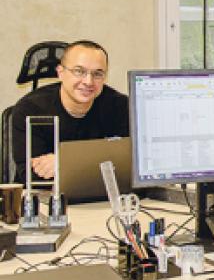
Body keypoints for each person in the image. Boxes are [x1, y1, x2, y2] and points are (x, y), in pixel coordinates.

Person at [10, 40, 129, 182]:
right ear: (60, 73)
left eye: (97, 74)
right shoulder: (30, 109)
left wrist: (63, 163)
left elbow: (127, 163)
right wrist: (98, 159)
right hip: (45, 199)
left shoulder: (120, 106)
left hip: (99, 199)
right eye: (79, 71)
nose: (88, 82)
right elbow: (32, 175)